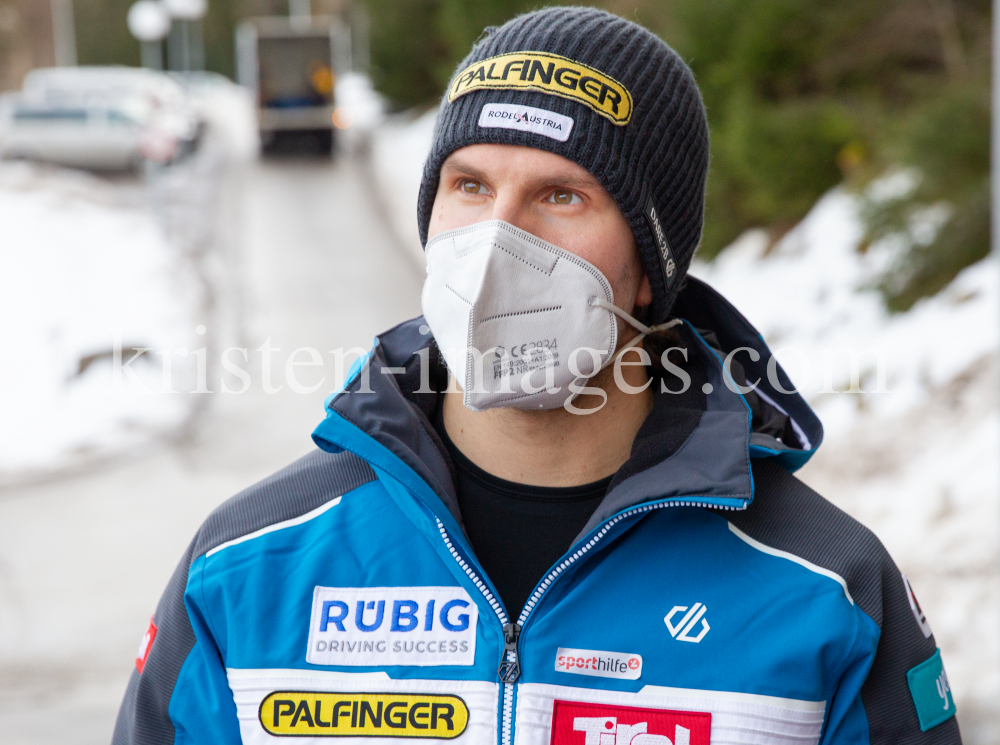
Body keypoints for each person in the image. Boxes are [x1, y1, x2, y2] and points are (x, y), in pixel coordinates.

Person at [112, 7, 960, 745]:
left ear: (647, 271)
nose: (494, 243)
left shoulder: (824, 591)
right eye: (470, 184)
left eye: (561, 195)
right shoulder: (250, 567)